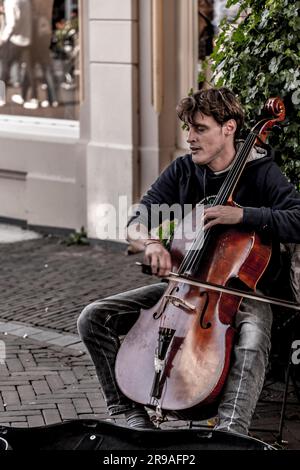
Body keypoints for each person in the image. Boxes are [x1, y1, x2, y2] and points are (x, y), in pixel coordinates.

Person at [77, 87, 300, 434]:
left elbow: (298, 219)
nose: (190, 138)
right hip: (183, 289)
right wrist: (150, 242)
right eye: (188, 129)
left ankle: (231, 431)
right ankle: (129, 413)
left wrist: (242, 216)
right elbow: (136, 220)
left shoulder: (262, 172)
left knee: (254, 334)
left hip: (244, 293)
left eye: (200, 129)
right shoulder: (184, 170)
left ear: (229, 128)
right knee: (93, 318)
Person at [0, 0, 37, 109]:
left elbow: (12, 23)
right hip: (27, 40)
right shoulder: (26, 1)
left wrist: (3, 39)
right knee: (29, 70)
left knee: (5, 70)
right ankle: (33, 98)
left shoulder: (10, 2)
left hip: (15, 40)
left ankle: (1, 98)